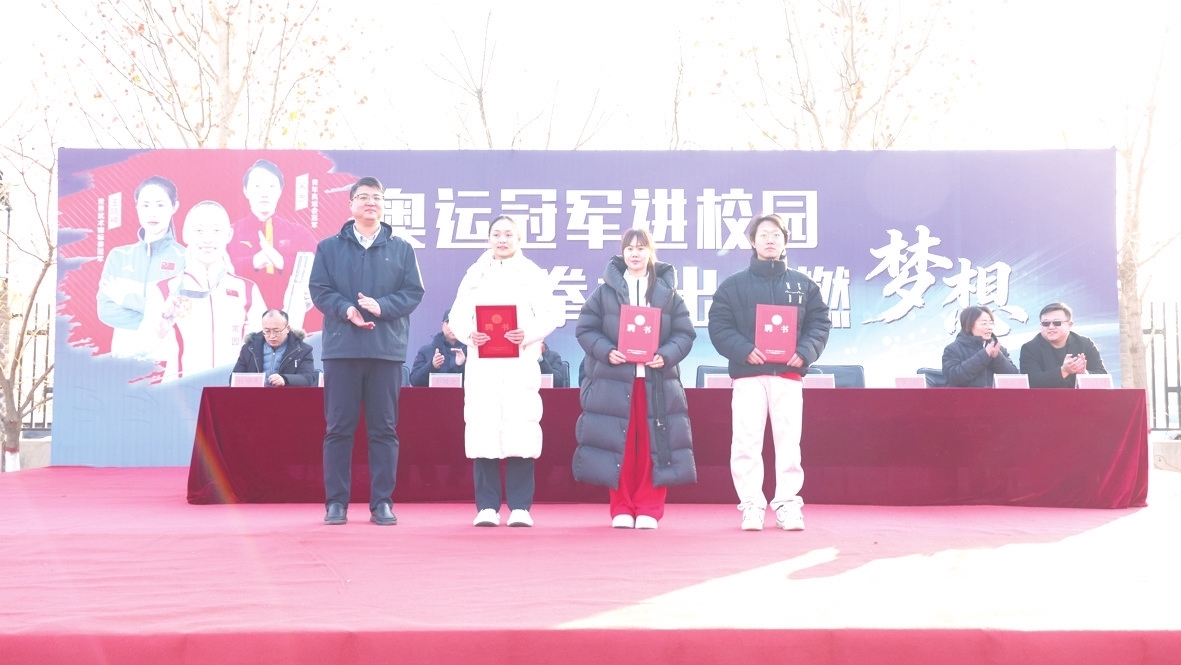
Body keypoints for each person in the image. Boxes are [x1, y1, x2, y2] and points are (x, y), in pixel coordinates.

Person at [309, 176, 424, 526]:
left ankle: (382, 503)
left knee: (384, 430)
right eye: (363, 197)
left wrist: (381, 306)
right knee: (338, 429)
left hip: (385, 351)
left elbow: (413, 293)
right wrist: (347, 309)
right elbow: (319, 290)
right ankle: (336, 504)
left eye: (376, 197)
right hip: (341, 349)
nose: (370, 202)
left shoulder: (401, 248)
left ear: (384, 204)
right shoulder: (329, 247)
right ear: (351, 205)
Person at [708, 213, 831, 532]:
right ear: (752, 241)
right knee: (746, 443)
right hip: (748, 376)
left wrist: (804, 352)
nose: (770, 240)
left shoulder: (803, 285)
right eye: (763, 234)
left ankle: (788, 504)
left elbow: (819, 324)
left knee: (789, 444)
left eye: (776, 234)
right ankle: (751, 505)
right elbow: (719, 326)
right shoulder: (733, 286)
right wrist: (743, 349)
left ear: (785, 241)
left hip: (788, 376)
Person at [573, 228, 697, 529]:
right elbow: (585, 329)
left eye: (641, 248)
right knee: (622, 445)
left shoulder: (668, 293)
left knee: (655, 445)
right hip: (615, 380)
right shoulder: (604, 293)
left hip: (655, 381)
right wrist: (607, 351)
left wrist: (665, 355)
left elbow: (684, 334)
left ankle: (649, 508)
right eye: (630, 248)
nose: (635, 253)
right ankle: (622, 508)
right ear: (622, 253)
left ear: (650, 252)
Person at [448, 215, 564, 527]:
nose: (502, 239)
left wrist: (528, 333)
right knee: (483, 429)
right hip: (483, 365)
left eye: (508, 234)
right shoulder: (475, 273)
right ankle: (486, 506)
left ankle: (520, 507)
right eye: (497, 234)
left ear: (519, 239)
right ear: (488, 239)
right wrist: (469, 333)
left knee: (520, 429)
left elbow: (552, 314)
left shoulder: (532, 273)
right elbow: (457, 315)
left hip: (519, 364)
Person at [140, 201, 265, 379]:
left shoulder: (247, 290)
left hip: (230, 392)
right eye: (199, 230)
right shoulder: (165, 290)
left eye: (216, 231)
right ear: (185, 234)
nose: (208, 239)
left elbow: (263, 351)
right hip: (181, 391)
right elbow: (143, 350)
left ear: (229, 234)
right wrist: (161, 327)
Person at [97, 175, 186, 358]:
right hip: (123, 358)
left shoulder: (185, 258)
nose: (152, 213)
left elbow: (181, 315)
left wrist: (126, 299)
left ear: (174, 207)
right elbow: (105, 311)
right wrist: (158, 318)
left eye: (160, 205)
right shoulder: (118, 256)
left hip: (166, 359)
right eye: (145, 205)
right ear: (136, 206)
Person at [227, 159, 319, 314]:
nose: (264, 193)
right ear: (246, 191)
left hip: (289, 318)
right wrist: (254, 261)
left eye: (271, 186)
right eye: (257, 186)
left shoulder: (299, 233)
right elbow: (217, 270)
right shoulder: (230, 233)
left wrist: (281, 262)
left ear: (280, 190)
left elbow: (319, 268)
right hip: (240, 316)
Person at [1019, 302, 1109, 388]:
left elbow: (1103, 377)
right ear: (1040, 325)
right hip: (1045, 398)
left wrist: (1084, 374)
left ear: (1070, 324)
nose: (1051, 327)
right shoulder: (1029, 349)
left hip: (1081, 397)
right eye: (1046, 324)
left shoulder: (1085, 344)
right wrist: (1063, 371)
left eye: (1057, 323)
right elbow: (1031, 382)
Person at [230, 309, 317, 386]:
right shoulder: (250, 349)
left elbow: (308, 378)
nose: (272, 336)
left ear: (287, 328)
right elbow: (234, 379)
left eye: (276, 331)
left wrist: (285, 379)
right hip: (256, 396)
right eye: (267, 331)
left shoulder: (302, 350)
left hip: (286, 396)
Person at [942, 305, 1019, 387]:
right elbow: (953, 376)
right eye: (984, 323)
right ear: (969, 324)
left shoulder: (998, 349)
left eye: (990, 323)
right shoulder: (953, 349)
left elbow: (1014, 378)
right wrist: (984, 355)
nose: (989, 327)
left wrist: (997, 357)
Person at [409, 308, 467, 387]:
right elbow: (414, 381)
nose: (453, 327)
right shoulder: (426, 351)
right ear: (442, 325)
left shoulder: (472, 352)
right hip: (433, 395)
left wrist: (461, 366)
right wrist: (431, 365)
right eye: (449, 322)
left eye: (458, 323)